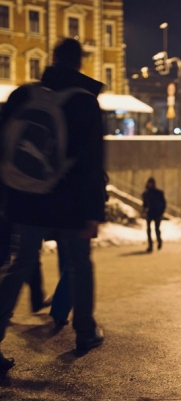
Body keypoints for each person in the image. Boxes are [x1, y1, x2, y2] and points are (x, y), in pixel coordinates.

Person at [0, 37, 107, 373]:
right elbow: (92, 165)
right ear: (79, 63)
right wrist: (93, 214)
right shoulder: (86, 103)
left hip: (26, 198)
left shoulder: (23, 95)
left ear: (52, 59)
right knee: (79, 264)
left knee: (20, 265)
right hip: (71, 204)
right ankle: (85, 333)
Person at [142, 177, 166, 252]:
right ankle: (150, 245)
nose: (150, 185)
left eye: (151, 183)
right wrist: (144, 210)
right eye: (149, 183)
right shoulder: (145, 194)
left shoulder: (158, 193)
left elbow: (163, 203)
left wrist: (161, 212)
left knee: (157, 229)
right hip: (149, 213)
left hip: (157, 213)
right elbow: (144, 204)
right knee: (148, 230)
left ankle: (159, 241)